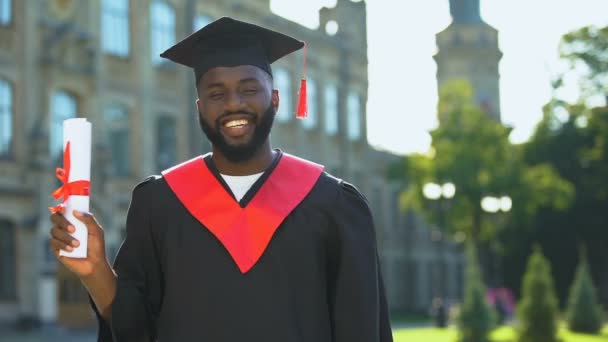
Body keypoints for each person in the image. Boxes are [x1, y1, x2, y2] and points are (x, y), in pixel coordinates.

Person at [49, 17, 393, 341]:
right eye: (216, 93)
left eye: (249, 89)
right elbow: (135, 328)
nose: (233, 104)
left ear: (274, 98)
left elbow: (360, 329)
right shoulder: (160, 204)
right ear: (200, 107)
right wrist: (95, 270)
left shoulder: (333, 205)